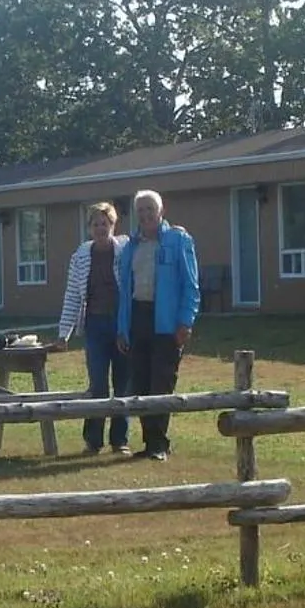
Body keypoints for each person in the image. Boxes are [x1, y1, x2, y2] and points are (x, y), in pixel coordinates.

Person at [114, 188, 199, 461]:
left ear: (161, 211)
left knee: (161, 384)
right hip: (138, 318)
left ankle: (159, 444)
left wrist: (185, 322)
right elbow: (124, 291)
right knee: (139, 383)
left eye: (151, 209)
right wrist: (122, 328)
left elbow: (191, 285)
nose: (146, 214)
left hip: (167, 322)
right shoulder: (130, 247)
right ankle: (148, 442)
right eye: (141, 210)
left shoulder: (178, 239)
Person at [57, 202, 132, 455]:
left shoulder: (125, 251)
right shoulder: (80, 257)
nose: (101, 228)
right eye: (96, 224)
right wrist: (63, 332)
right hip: (95, 325)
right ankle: (92, 440)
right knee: (98, 385)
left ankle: (119, 440)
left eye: (105, 223)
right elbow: (72, 296)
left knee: (123, 384)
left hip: (121, 324)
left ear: (113, 225)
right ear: (89, 228)